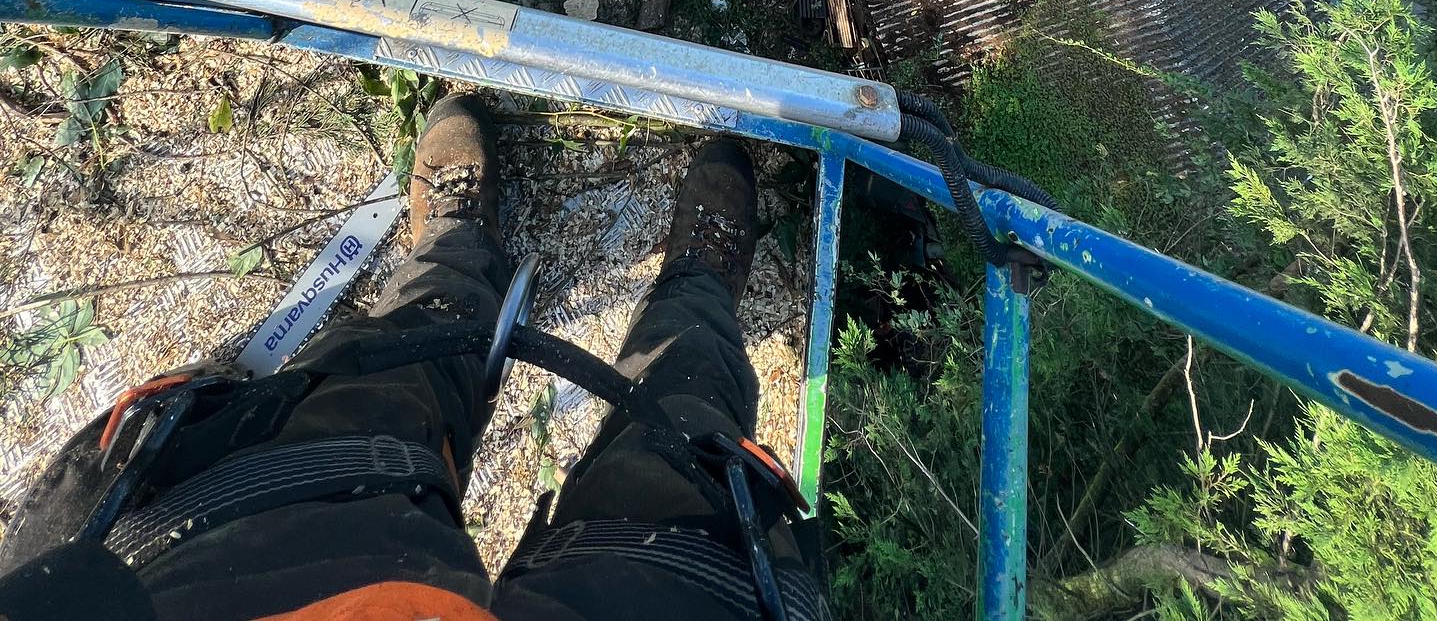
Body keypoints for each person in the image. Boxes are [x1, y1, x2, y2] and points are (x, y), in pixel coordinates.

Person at [0, 95, 827, 621]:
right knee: (683, 441)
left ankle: (458, 255)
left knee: (389, 375)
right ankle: (698, 294)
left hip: (241, 574)